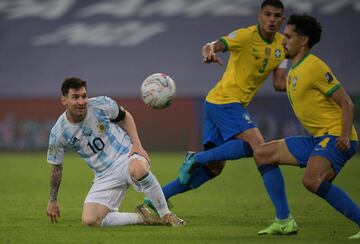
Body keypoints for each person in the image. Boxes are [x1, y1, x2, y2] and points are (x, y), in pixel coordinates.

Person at [140, 0, 299, 235]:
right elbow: (212, 45)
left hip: (218, 104)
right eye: (268, 14)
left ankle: (156, 199)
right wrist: (210, 52)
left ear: (282, 19)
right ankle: (284, 218)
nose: (272, 19)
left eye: (277, 16)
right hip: (225, 102)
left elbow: (278, 83)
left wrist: (302, 81)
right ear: (259, 16)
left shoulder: (282, 47)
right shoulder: (245, 36)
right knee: (263, 151)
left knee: (213, 169)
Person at [253, 14, 360, 239]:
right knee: (263, 154)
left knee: (312, 180)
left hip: (336, 137)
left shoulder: (315, 67)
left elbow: (348, 104)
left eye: (288, 37)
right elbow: (280, 84)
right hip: (317, 139)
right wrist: (279, 60)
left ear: (303, 41)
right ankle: (284, 221)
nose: (283, 40)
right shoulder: (296, 68)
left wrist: (343, 135)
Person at [46, 77, 185, 227]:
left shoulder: (100, 104)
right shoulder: (59, 133)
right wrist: (53, 200)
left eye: (84, 96)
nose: (81, 101)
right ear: (64, 101)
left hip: (126, 155)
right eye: (75, 97)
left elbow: (125, 116)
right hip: (104, 174)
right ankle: (144, 217)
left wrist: (137, 144)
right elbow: (56, 168)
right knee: (90, 220)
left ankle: (166, 215)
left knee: (138, 169)